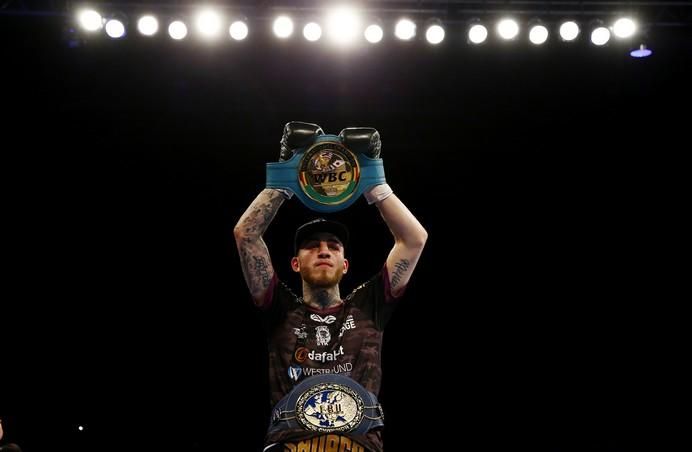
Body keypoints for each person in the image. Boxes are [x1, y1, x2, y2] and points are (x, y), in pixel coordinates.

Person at [234, 122, 427, 452]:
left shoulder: (369, 307)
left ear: (344, 264)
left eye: (333, 246)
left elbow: (414, 239)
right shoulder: (280, 311)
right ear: (295, 264)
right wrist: (283, 178)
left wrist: (374, 181)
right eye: (311, 246)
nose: (323, 250)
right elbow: (246, 236)